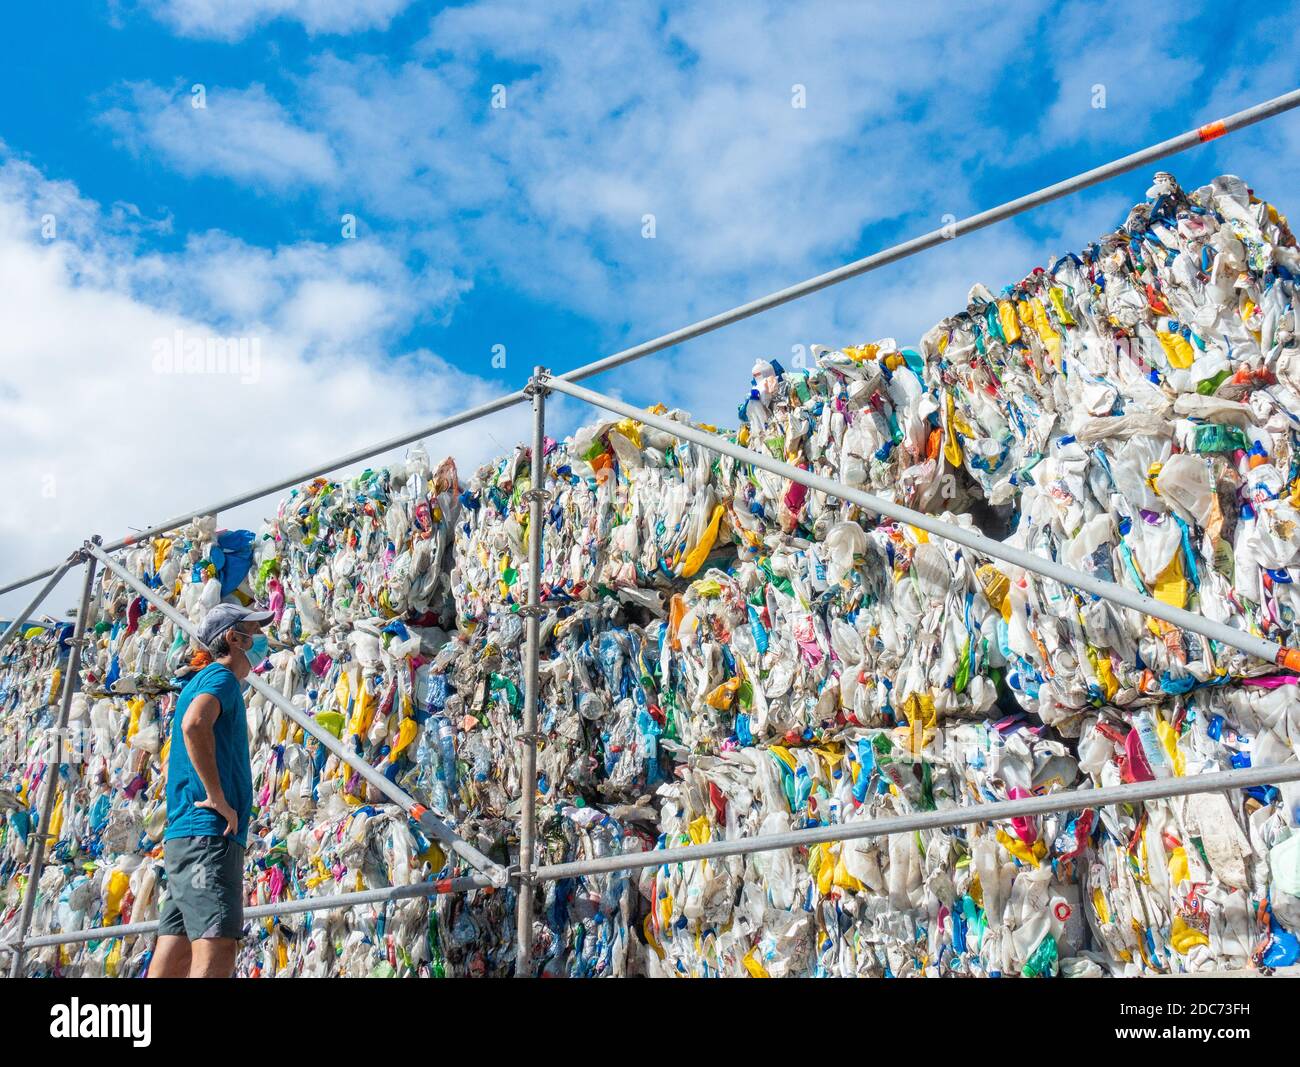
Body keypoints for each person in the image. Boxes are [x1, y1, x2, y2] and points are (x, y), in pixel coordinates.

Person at [147, 603, 272, 978]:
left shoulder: (198, 682)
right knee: (215, 947)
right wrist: (217, 797)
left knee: (177, 950)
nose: (264, 638)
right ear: (235, 639)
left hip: (186, 839)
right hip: (207, 837)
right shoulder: (220, 679)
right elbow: (195, 723)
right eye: (256, 630)